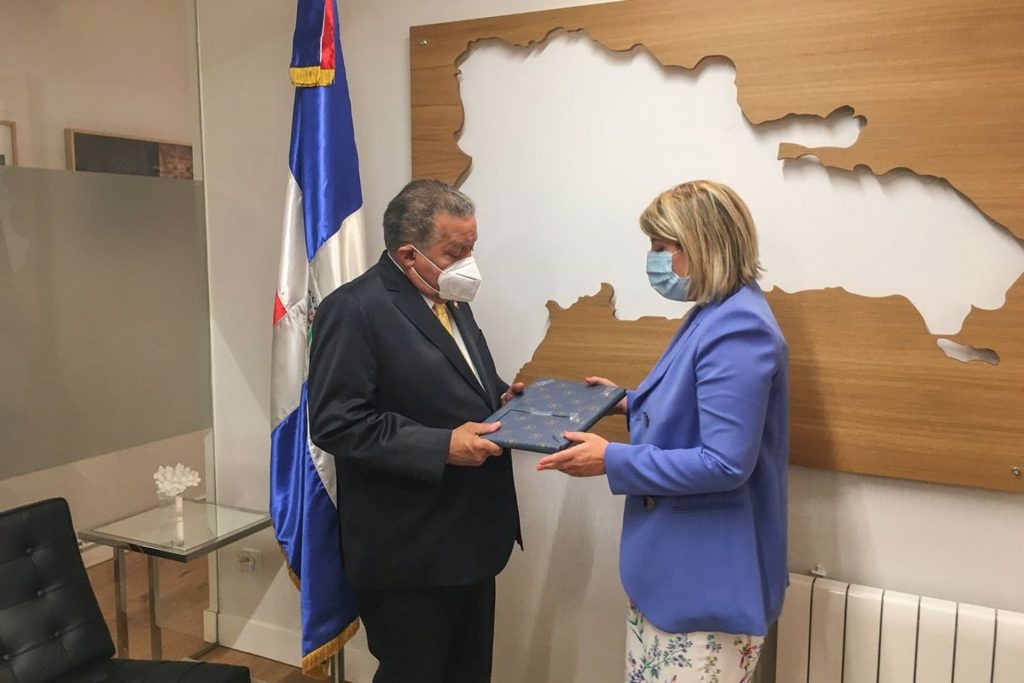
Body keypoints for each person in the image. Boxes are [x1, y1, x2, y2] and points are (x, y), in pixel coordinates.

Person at [537, 180, 788, 683]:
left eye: (660, 247)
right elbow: (703, 405)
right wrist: (627, 401)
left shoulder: (738, 328)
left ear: (701, 244)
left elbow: (724, 463)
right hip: (677, 575)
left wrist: (610, 459)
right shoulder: (715, 312)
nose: (652, 260)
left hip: (704, 584)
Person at [307, 179, 523, 683]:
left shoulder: (449, 297)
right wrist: (442, 445)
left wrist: (504, 399)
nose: (470, 263)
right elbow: (337, 422)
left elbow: (463, 381)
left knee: (468, 672)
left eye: (472, 248)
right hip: (409, 549)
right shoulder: (354, 309)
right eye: (456, 252)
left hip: (471, 537)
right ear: (409, 254)